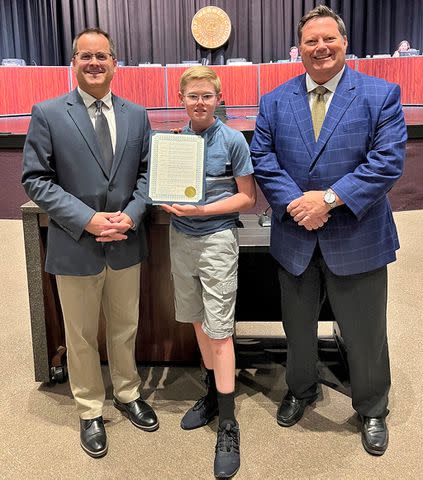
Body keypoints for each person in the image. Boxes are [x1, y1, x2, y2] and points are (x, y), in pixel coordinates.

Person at [250, 5, 406, 456]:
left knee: (365, 330)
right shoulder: (275, 100)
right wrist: (299, 205)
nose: (319, 48)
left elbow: (386, 162)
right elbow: (264, 159)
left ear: (344, 43)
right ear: (298, 49)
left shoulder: (381, 94)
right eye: (310, 41)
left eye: (328, 39)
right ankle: (301, 390)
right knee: (297, 328)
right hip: (295, 234)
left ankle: (372, 406)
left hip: (357, 234)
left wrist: (328, 200)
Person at [22, 27, 158, 458]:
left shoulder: (137, 114)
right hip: (75, 242)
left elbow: (147, 174)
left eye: (103, 56)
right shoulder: (47, 113)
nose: (95, 63)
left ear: (115, 63)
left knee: (125, 326)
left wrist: (132, 215)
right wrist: (88, 220)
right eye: (86, 56)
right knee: (79, 334)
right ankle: (88, 409)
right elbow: (36, 180)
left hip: (124, 241)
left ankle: (128, 392)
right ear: (74, 63)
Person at [160, 66, 256, 478]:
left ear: (219, 98)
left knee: (220, 330)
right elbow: (160, 186)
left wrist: (201, 210)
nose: (199, 102)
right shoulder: (174, 142)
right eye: (192, 96)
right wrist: (163, 198)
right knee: (197, 322)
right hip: (180, 241)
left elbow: (246, 198)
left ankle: (229, 423)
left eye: (207, 95)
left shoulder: (233, 140)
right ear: (181, 100)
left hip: (216, 241)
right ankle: (213, 395)